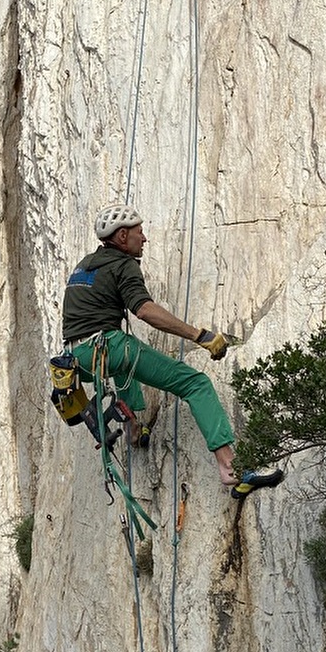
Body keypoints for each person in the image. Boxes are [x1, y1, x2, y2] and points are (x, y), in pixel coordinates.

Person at [62, 203, 240, 487]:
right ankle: (229, 466)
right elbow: (144, 310)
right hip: (107, 348)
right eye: (139, 232)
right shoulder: (124, 265)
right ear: (122, 237)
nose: (144, 238)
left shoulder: (83, 265)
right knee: (196, 384)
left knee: (124, 360)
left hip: (74, 360)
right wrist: (200, 335)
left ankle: (132, 427)